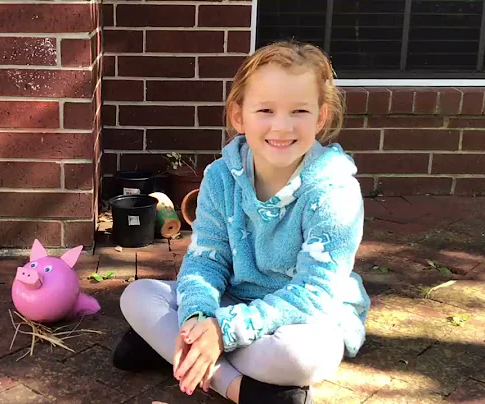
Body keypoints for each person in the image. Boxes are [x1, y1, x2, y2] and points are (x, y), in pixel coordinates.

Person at [111, 40, 371, 404]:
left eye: (299, 111)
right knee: (137, 296)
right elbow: (205, 260)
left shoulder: (334, 191)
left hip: (299, 319)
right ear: (239, 115)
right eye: (265, 109)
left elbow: (315, 293)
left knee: (302, 359)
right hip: (230, 302)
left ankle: (173, 350)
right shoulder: (221, 176)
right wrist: (196, 319)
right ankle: (237, 387)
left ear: (321, 117)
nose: (281, 127)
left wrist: (223, 331)